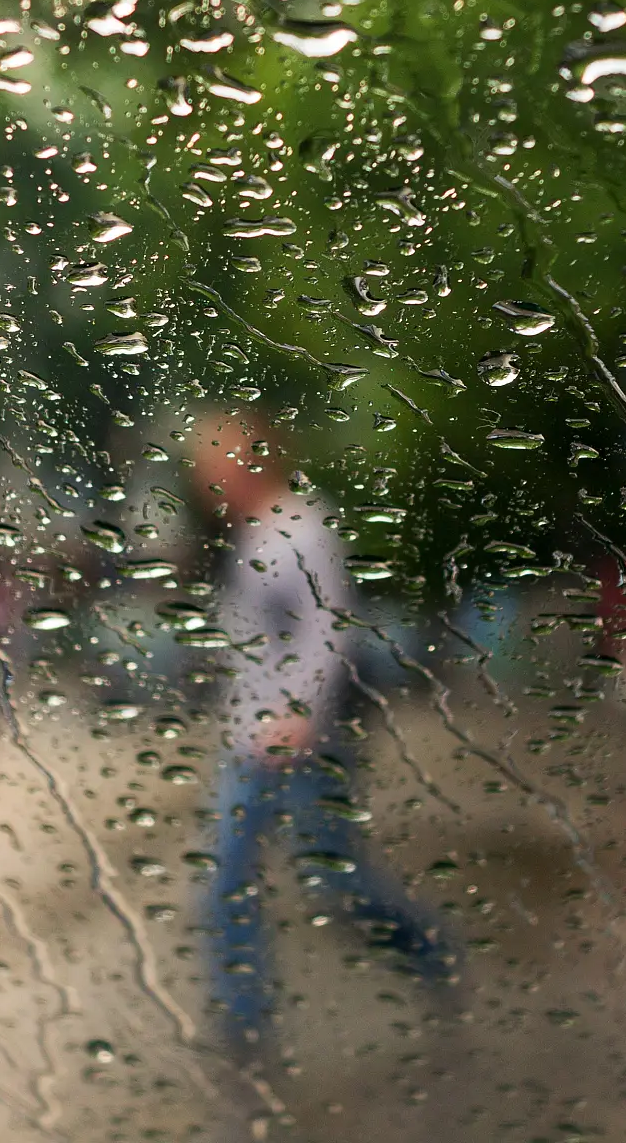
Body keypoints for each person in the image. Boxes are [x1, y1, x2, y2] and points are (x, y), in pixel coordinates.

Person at [187, 413, 456, 1059]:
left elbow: (330, 625)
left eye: (215, 464)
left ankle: (431, 954)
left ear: (253, 461)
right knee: (225, 882)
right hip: (248, 741)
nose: (206, 482)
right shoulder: (251, 537)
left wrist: (302, 712)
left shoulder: (303, 527)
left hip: (304, 742)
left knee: (336, 884)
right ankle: (244, 1031)